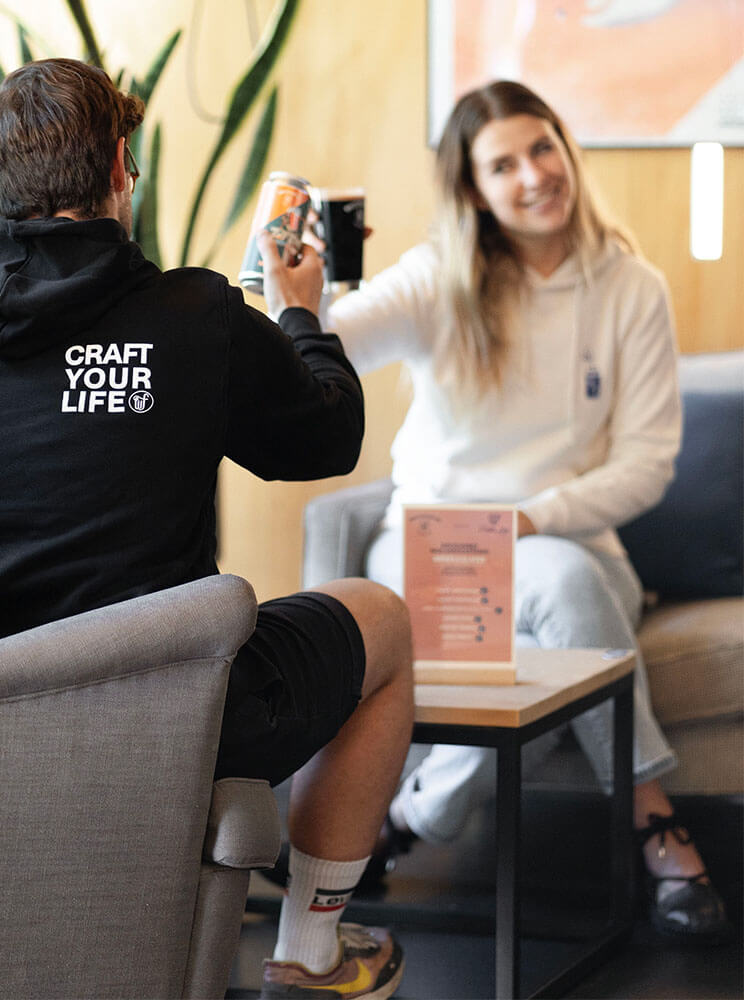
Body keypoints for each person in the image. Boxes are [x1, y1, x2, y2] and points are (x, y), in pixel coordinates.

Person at [0, 58, 414, 997]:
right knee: (385, 621)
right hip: (148, 716)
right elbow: (328, 436)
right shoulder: (195, 314)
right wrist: (300, 310)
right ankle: (314, 952)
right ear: (122, 165)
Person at [322, 79, 729, 943]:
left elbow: (647, 465)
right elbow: (334, 342)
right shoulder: (440, 279)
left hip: (573, 543)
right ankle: (655, 818)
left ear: (566, 150)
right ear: (473, 187)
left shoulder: (631, 287)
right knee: (558, 622)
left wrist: (533, 521)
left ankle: (418, 817)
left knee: (562, 593)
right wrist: (309, 281)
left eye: (543, 147)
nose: (535, 174)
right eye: (502, 164)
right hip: (435, 551)